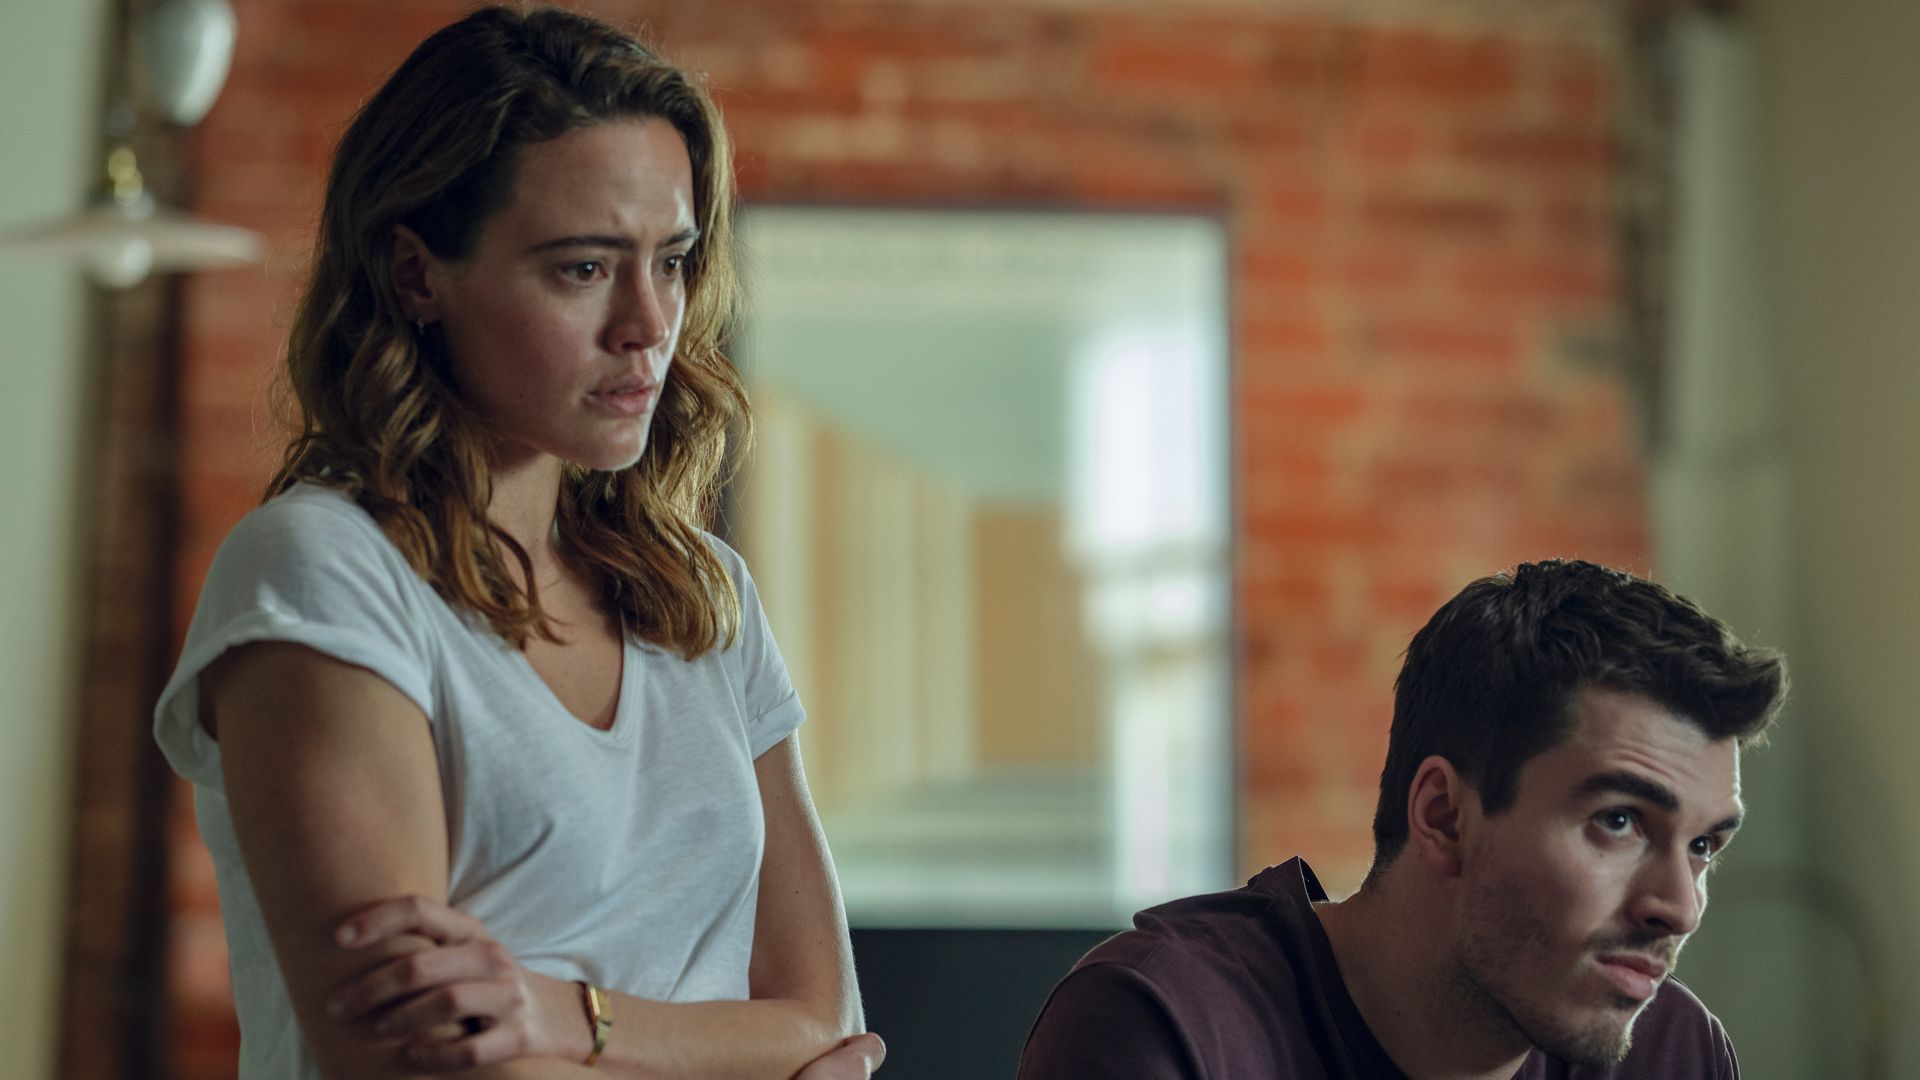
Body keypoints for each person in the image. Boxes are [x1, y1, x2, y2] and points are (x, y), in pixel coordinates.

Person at [153, 7, 883, 1078]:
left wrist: (557, 1015)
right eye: (583, 269)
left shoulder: (704, 594)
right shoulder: (322, 571)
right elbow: (412, 1061)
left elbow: (825, 1023)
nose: (648, 323)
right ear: (416, 278)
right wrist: (738, 1057)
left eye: (671, 261)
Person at [1019, 560, 1787, 1079]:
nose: (1679, 906)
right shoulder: (1172, 1029)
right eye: (1619, 822)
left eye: (1702, 846)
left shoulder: (1671, 1053)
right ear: (1444, 816)